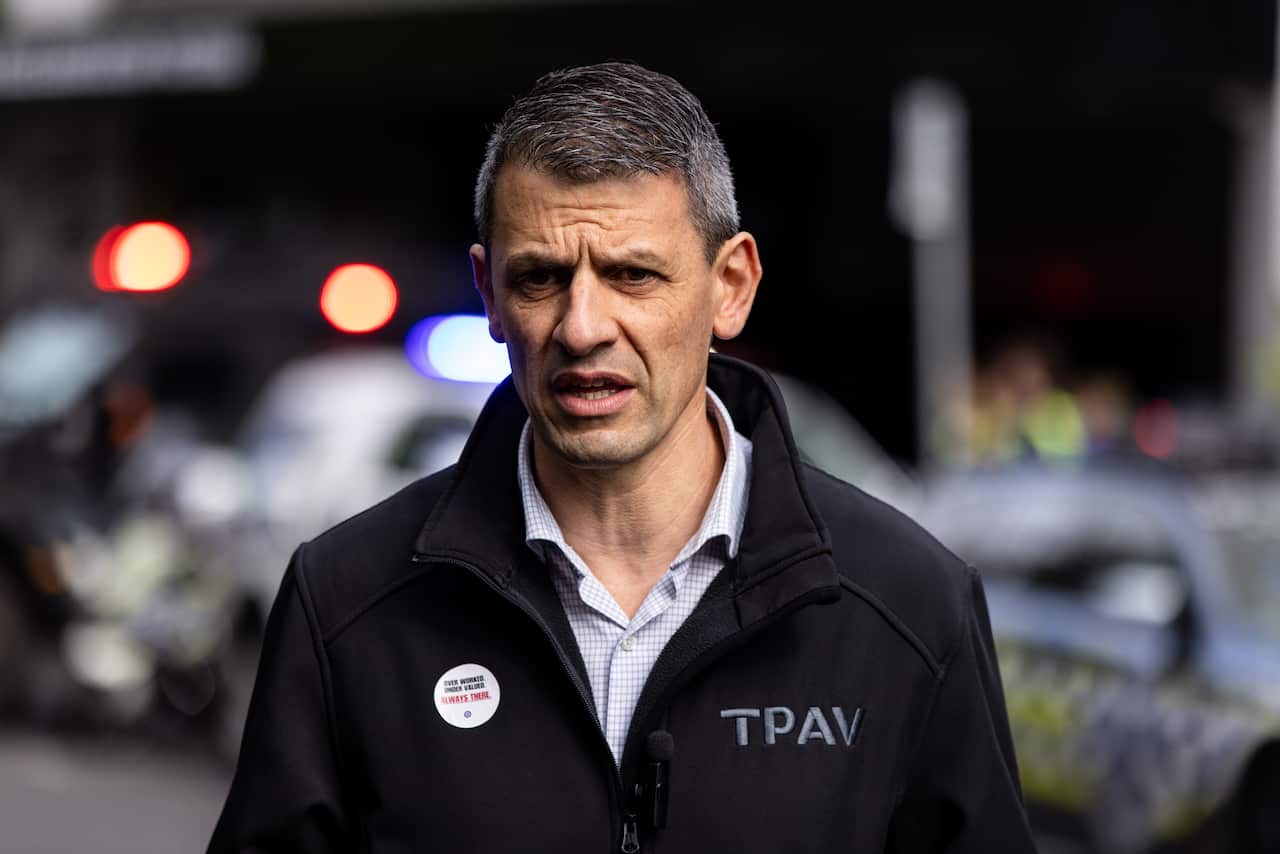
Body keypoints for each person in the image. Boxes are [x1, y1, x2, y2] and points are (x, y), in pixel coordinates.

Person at [208, 61, 1036, 853]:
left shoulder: (908, 607)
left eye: (633, 274)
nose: (581, 326)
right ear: (487, 292)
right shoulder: (347, 602)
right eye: (539, 279)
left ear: (732, 286)